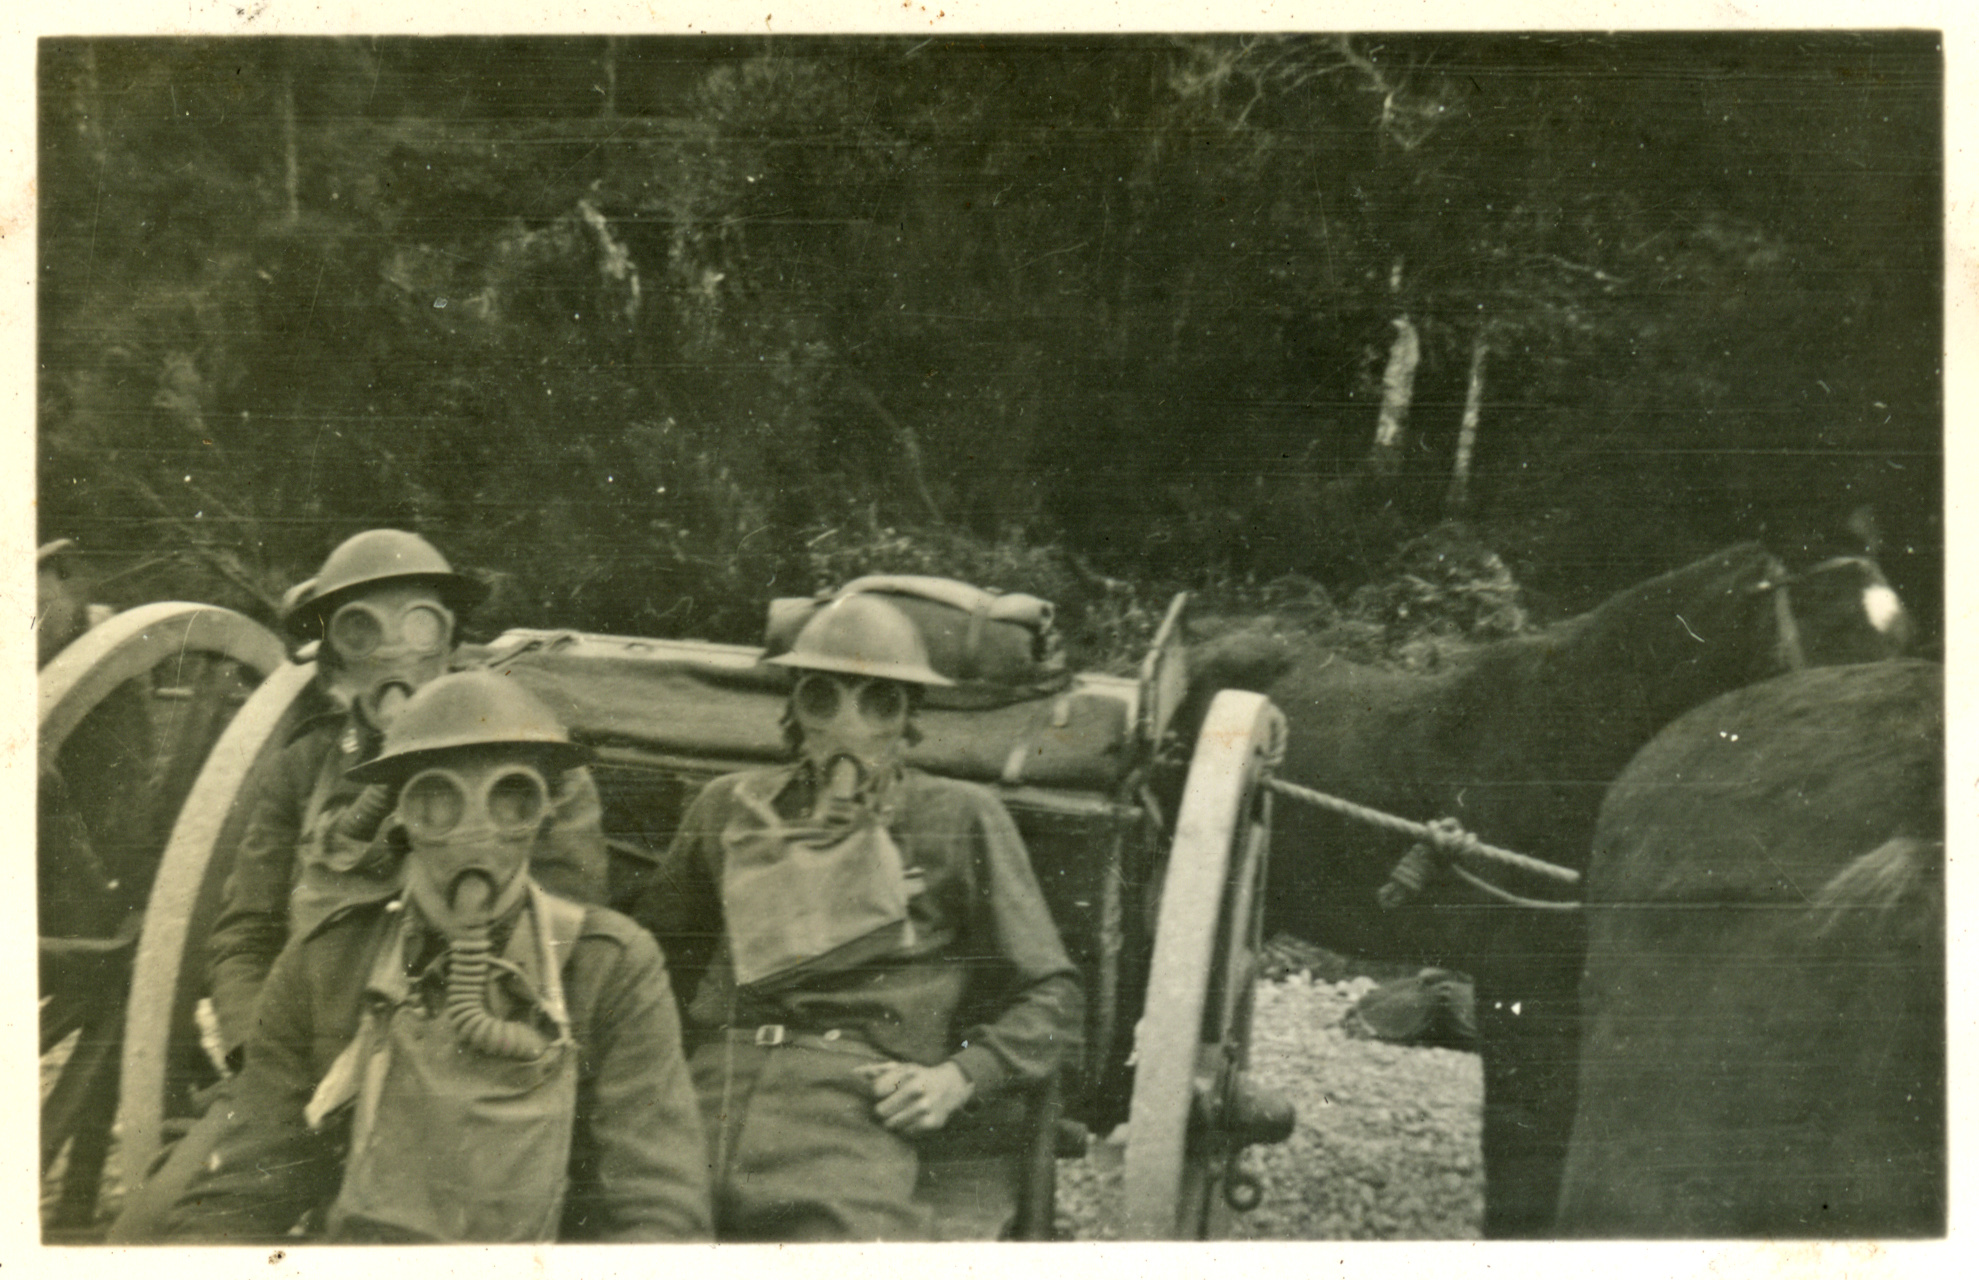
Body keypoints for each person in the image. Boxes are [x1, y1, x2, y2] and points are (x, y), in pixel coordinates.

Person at [110, 528, 608, 1242]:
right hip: (302, 1075)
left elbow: (564, 938)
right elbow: (245, 932)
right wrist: (265, 1055)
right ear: (334, 654)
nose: (394, 652)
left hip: (469, 1075)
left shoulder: (530, 773)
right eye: (360, 628)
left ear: (450, 639)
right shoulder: (305, 767)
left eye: (419, 622)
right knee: (152, 1230)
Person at [165, 670, 713, 1243]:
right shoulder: (327, 962)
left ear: (544, 813)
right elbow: (241, 1191)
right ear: (400, 814)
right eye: (437, 800)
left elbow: (661, 1209)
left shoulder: (609, 968)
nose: (476, 830)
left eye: (511, 798)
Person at [634, 593, 1083, 1241]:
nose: (850, 726)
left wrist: (960, 1076)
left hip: (854, 1108)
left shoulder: (958, 817)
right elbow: (649, 965)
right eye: (822, 698)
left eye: (879, 701)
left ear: (908, 718)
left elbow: (1053, 995)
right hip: (707, 1092)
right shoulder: (728, 807)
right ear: (794, 709)